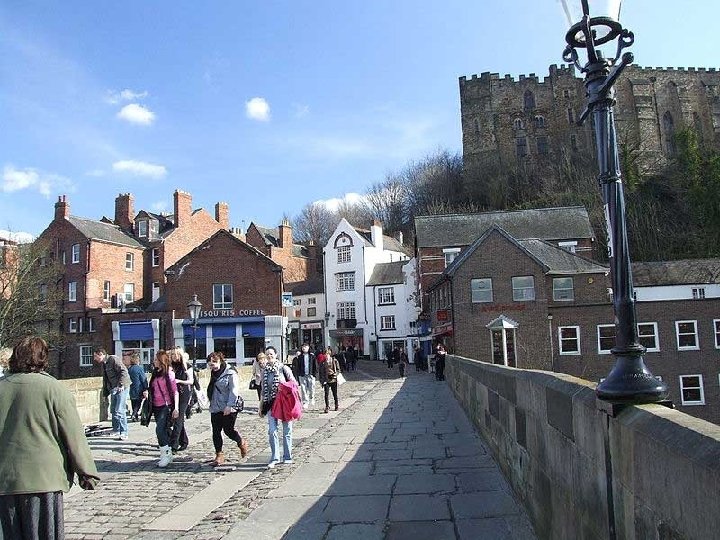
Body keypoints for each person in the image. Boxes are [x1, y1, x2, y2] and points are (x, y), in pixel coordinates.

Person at [0, 337, 100, 540]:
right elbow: (74, 434)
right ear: (43, 357)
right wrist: (86, 472)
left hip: (6, 480)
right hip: (45, 478)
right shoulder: (54, 388)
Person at [206, 352, 248, 466]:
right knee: (216, 431)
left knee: (228, 430)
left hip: (228, 406)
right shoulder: (213, 373)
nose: (212, 365)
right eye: (210, 364)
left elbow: (234, 390)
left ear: (221, 361)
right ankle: (219, 454)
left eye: (214, 362)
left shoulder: (230, 373)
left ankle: (241, 442)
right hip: (215, 406)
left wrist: (229, 405)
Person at [260, 346, 296, 469]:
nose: (269, 356)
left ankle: (287, 457)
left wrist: (283, 387)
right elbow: (263, 390)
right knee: (272, 430)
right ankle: (275, 457)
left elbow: (293, 383)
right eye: (267, 354)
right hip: (270, 403)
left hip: (284, 403)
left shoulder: (283, 368)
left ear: (276, 355)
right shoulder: (265, 371)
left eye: (271, 354)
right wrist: (261, 406)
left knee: (287, 430)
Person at [144, 350, 179, 468]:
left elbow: (175, 391)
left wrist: (176, 408)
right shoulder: (155, 373)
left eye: (155, 360)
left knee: (160, 430)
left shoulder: (169, 373)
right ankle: (167, 453)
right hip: (155, 405)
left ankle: (165, 455)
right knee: (163, 430)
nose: (153, 362)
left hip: (166, 405)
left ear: (161, 361)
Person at [94, 347, 131, 440]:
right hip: (114, 388)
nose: (95, 359)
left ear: (101, 354)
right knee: (113, 410)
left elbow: (124, 371)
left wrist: (121, 385)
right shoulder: (104, 364)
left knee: (120, 410)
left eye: (95, 356)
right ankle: (116, 430)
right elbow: (106, 379)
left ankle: (124, 432)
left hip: (121, 387)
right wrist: (106, 393)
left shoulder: (113, 359)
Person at [170, 348, 193, 453]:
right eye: (172, 354)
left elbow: (191, 381)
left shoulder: (186, 366)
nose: (174, 356)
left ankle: (173, 445)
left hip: (183, 394)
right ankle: (184, 441)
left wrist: (179, 381)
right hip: (173, 394)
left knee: (178, 418)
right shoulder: (171, 367)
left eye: (175, 354)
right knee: (176, 420)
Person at [292, 342, 316, 410]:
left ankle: (312, 398)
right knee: (303, 389)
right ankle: (305, 402)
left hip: (310, 374)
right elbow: (297, 366)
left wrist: (314, 374)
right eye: (303, 347)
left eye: (305, 347)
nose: (304, 348)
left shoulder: (312, 356)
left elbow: (315, 365)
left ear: (308, 348)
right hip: (302, 375)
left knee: (311, 388)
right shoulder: (299, 357)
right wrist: (298, 374)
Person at [318, 346, 341, 413]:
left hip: (333, 379)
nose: (326, 355)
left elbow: (338, 370)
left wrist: (335, 374)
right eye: (325, 354)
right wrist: (321, 381)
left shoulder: (334, 360)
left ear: (329, 354)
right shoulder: (322, 363)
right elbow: (320, 372)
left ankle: (336, 405)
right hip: (326, 380)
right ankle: (327, 406)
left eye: (327, 354)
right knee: (326, 394)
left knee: (335, 393)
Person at [128, 353, 148, 422]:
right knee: (138, 403)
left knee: (133, 403)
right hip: (139, 388)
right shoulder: (139, 368)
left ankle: (135, 417)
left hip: (131, 388)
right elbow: (143, 379)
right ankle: (134, 414)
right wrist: (146, 388)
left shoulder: (129, 369)